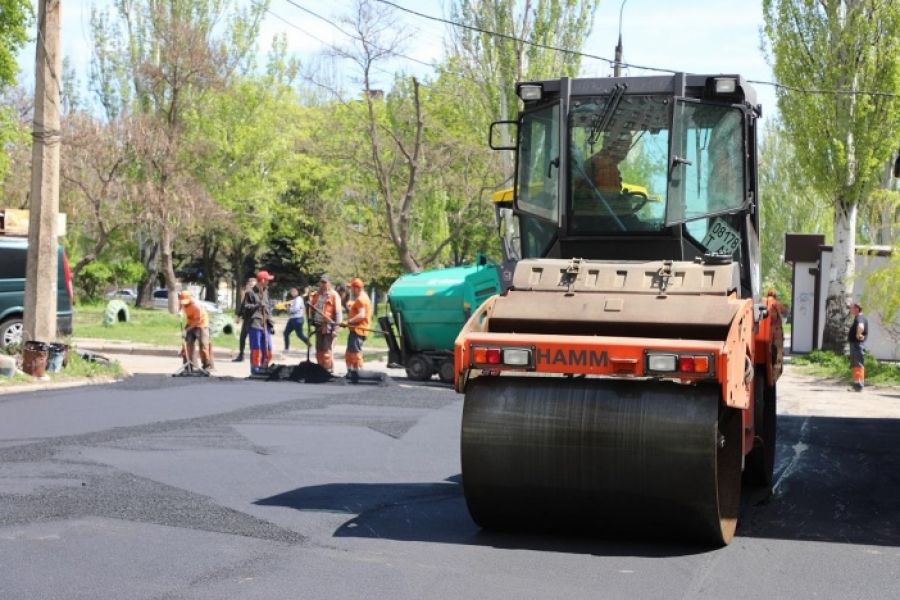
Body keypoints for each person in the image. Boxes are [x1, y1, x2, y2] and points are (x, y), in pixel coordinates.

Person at [308, 274, 342, 372]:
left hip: (329, 327)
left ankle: (328, 369)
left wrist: (336, 329)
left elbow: (338, 314)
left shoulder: (334, 295)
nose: (323, 284)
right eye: (321, 282)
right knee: (319, 350)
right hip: (318, 326)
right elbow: (312, 309)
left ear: (329, 283)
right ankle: (320, 369)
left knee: (327, 350)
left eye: (325, 282)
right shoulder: (317, 294)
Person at [243, 270, 275, 375]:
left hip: (266, 324)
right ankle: (255, 369)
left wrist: (271, 323)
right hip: (255, 324)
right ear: (262, 280)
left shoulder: (266, 291)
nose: (268, 282)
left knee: (268, 348)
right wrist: (257, 305)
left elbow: (268, 308)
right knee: (256, 348)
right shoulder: (250, 293)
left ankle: (264, 366)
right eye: (267, 280)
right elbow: (246, 307)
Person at [343, 277, 372, 371]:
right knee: (350, 353)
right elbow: (359, 309)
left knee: (355, 353)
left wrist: (349, 322)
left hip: (358, 330)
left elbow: (361, 315)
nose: (351, 290)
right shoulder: (363, 297)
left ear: (357, 288)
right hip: (356, 330)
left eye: (352, 288)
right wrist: (352, 305)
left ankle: (359, 374)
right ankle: (352, 373)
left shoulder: (361, 299)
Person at [178, 290, 212, 371]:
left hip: (201, 324)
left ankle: (206, 365)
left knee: (203, 345)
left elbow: (197, 321)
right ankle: (188, 365)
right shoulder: (182, 301)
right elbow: (180, 304)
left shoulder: (196, 305)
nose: (184, 303)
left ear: (190, 298)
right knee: (187, 344)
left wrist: (186, 330)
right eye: (182, 302)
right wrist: (179, 312)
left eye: (185, 302)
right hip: (190, 323)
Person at [233, 276, 256, 362]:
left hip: (253, 319)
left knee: (252, 338)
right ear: (247, 285)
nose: (251, 287)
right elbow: (243, 306)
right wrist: (238, 316)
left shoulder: (255, 294)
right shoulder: (247, 294)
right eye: (250, 285)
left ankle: (252, 356)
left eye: (253, 286)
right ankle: (241, 355)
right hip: (246, 319)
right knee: (242, 337)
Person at [848, 302, 869, 392]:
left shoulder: (860, 318)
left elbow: (861, 326)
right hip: (856, 345)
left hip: (857, 345)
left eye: (851, 308)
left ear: (857, 309)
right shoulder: (859, 318)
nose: (850, 310)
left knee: (858, 364)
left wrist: (858, 334)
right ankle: (857, 384)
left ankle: (859, 385)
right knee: (856, 364)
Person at [283, 287, 310, 352]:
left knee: (300, 335)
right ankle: (286, 349)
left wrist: (288, 309)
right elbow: (290, 307)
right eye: (292, 292)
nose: (293, 293)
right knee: (286, 333)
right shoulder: (294, 299)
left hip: (298, 319)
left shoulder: (299, 299)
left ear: (297, 292)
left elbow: (296, 309)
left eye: (294, 291)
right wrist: (287, 307)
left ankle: (310, 346)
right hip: (292, 319)